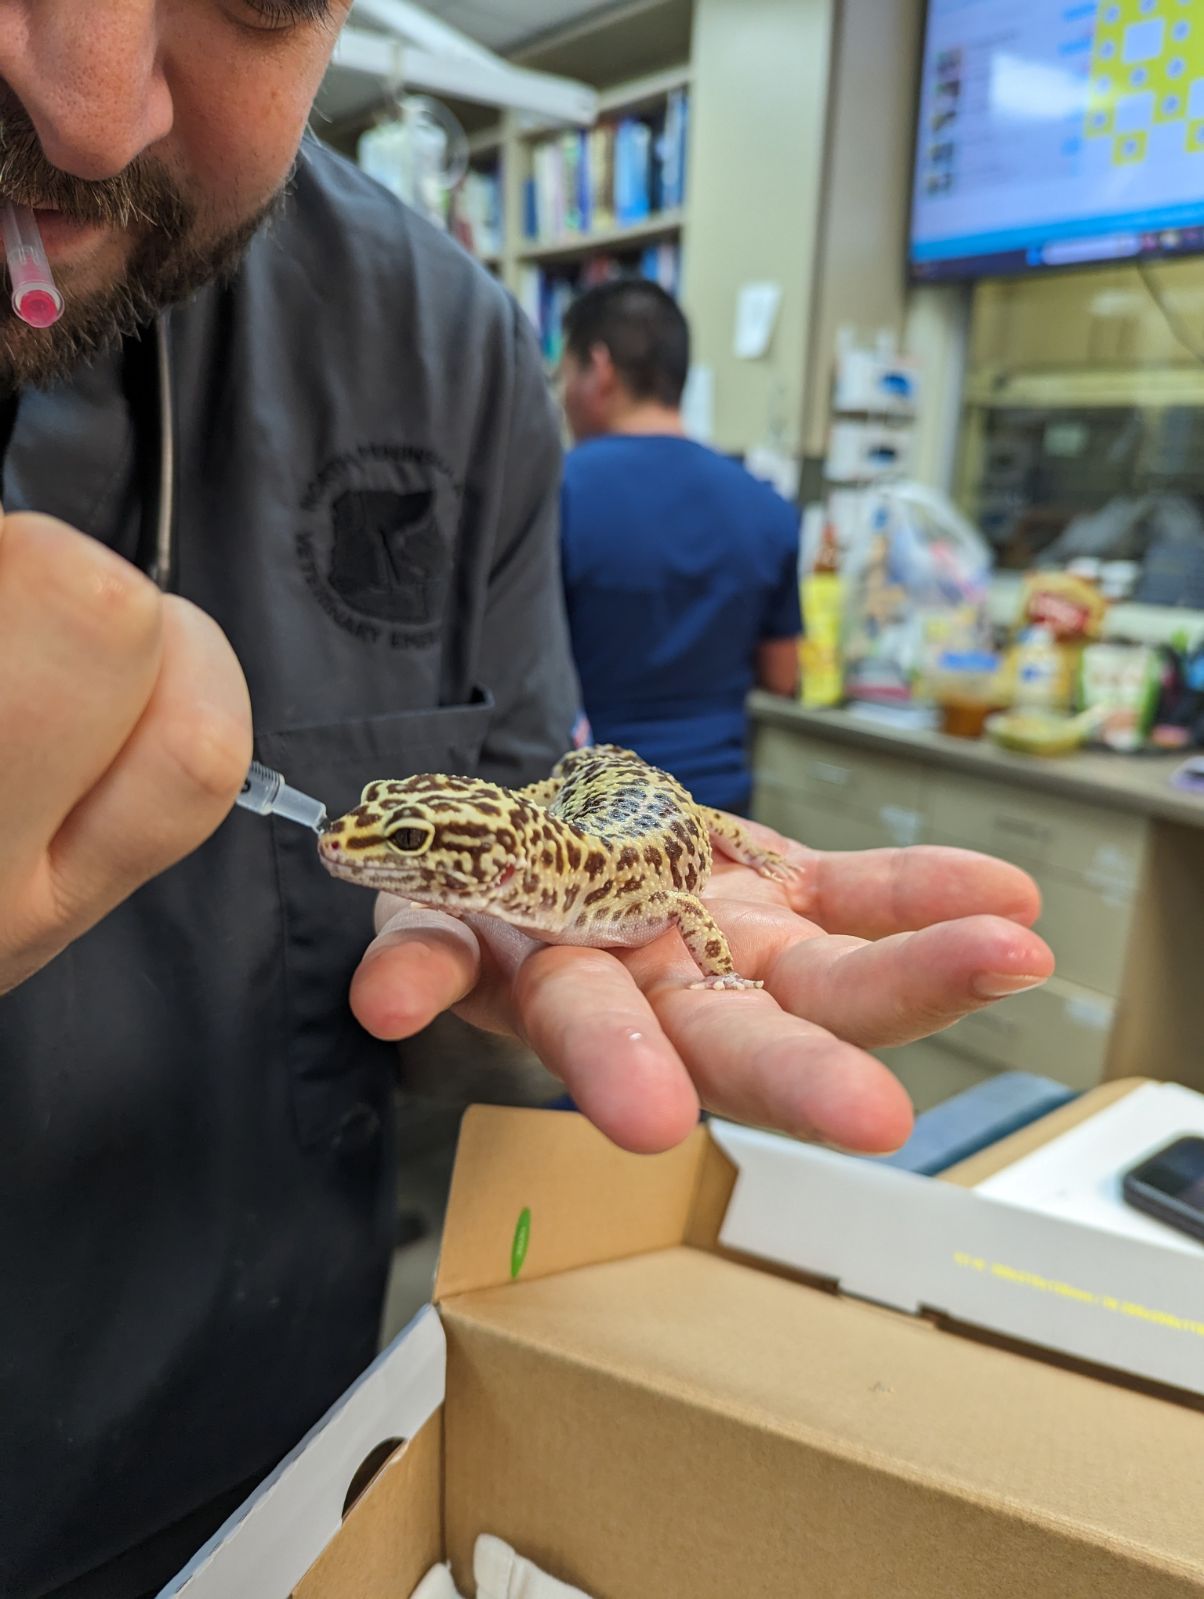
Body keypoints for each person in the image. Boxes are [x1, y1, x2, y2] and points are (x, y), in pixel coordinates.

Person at [0, 8, 1053, 1597]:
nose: (90, 114)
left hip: (280, 1438)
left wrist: (517, 998)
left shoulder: (442, 340)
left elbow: (520, 918)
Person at [559, 279, 801, 814]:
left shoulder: (555, 492)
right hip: (715, 814)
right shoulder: (767, 506)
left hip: (594, 814)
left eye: (563, 375)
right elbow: (784, 677)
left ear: (598, 371)